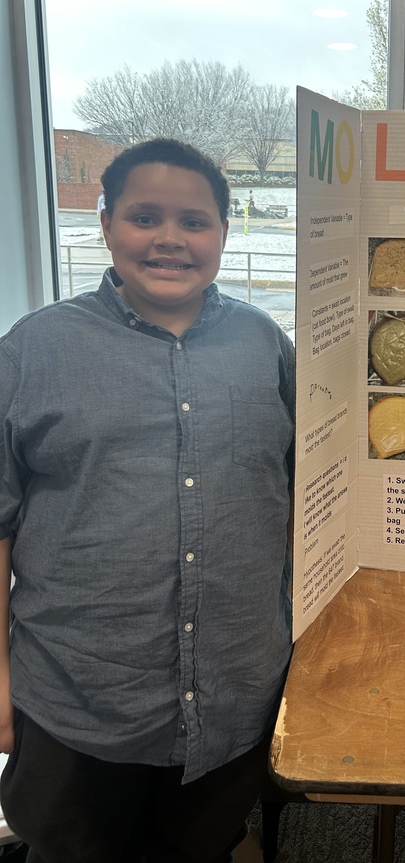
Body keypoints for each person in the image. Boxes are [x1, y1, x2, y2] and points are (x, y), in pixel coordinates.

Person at [0, 138, 295, 863]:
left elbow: (294, 503)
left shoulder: (267, 347)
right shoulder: (32, 352)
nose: (170, 238)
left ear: (225, 233)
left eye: (194, 221)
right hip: (77, 696)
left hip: (235, 690)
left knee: (204, 846)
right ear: (105, 225)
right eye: (144, 216)